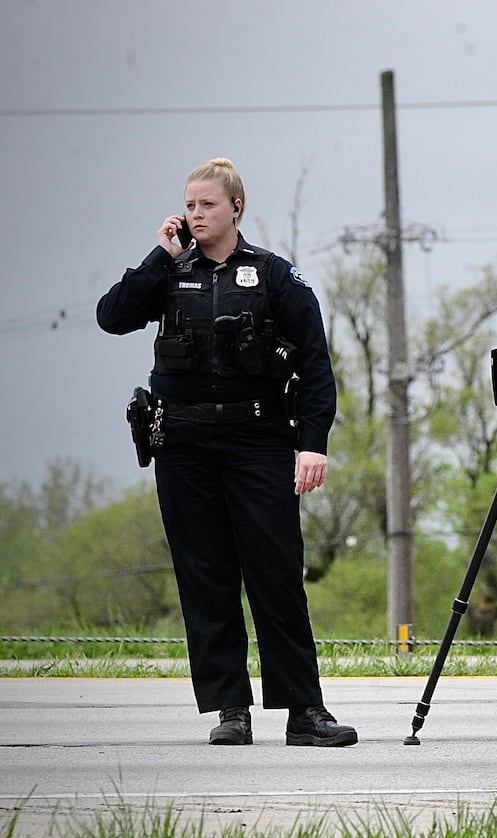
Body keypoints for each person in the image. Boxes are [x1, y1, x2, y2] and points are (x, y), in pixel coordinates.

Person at [97, 157, 355, 747]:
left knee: (276, 576)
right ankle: (229, 709)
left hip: (259, 441)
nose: (196, 214)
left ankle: (304, 713)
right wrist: (159, 257)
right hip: (184, 446)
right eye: (189, 204)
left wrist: (312, 444)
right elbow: (111, 318)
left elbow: (315, 363)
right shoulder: (167, 273)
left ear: (236, 208)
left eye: (207, 204)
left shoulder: (272, 276)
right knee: (205, 577)